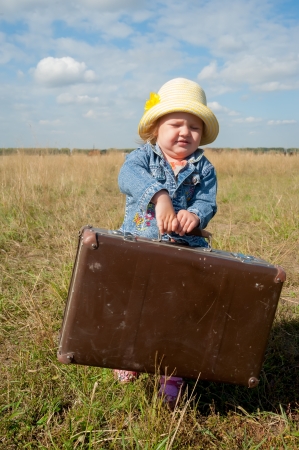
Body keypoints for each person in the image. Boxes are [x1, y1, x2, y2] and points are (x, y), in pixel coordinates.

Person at [114, 77, 219, 408]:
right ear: (155, 129)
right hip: (141, 247)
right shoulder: (142, 158)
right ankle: (129, 356)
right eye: (176, 123)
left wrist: (195, 215)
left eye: (194, 127)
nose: (185, 132)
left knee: (178, 310)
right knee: (137, 305)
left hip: (184, 253)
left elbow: (207, 201)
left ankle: (172, 371)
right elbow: (127, 178)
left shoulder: (203, 167)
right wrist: (160, 196)